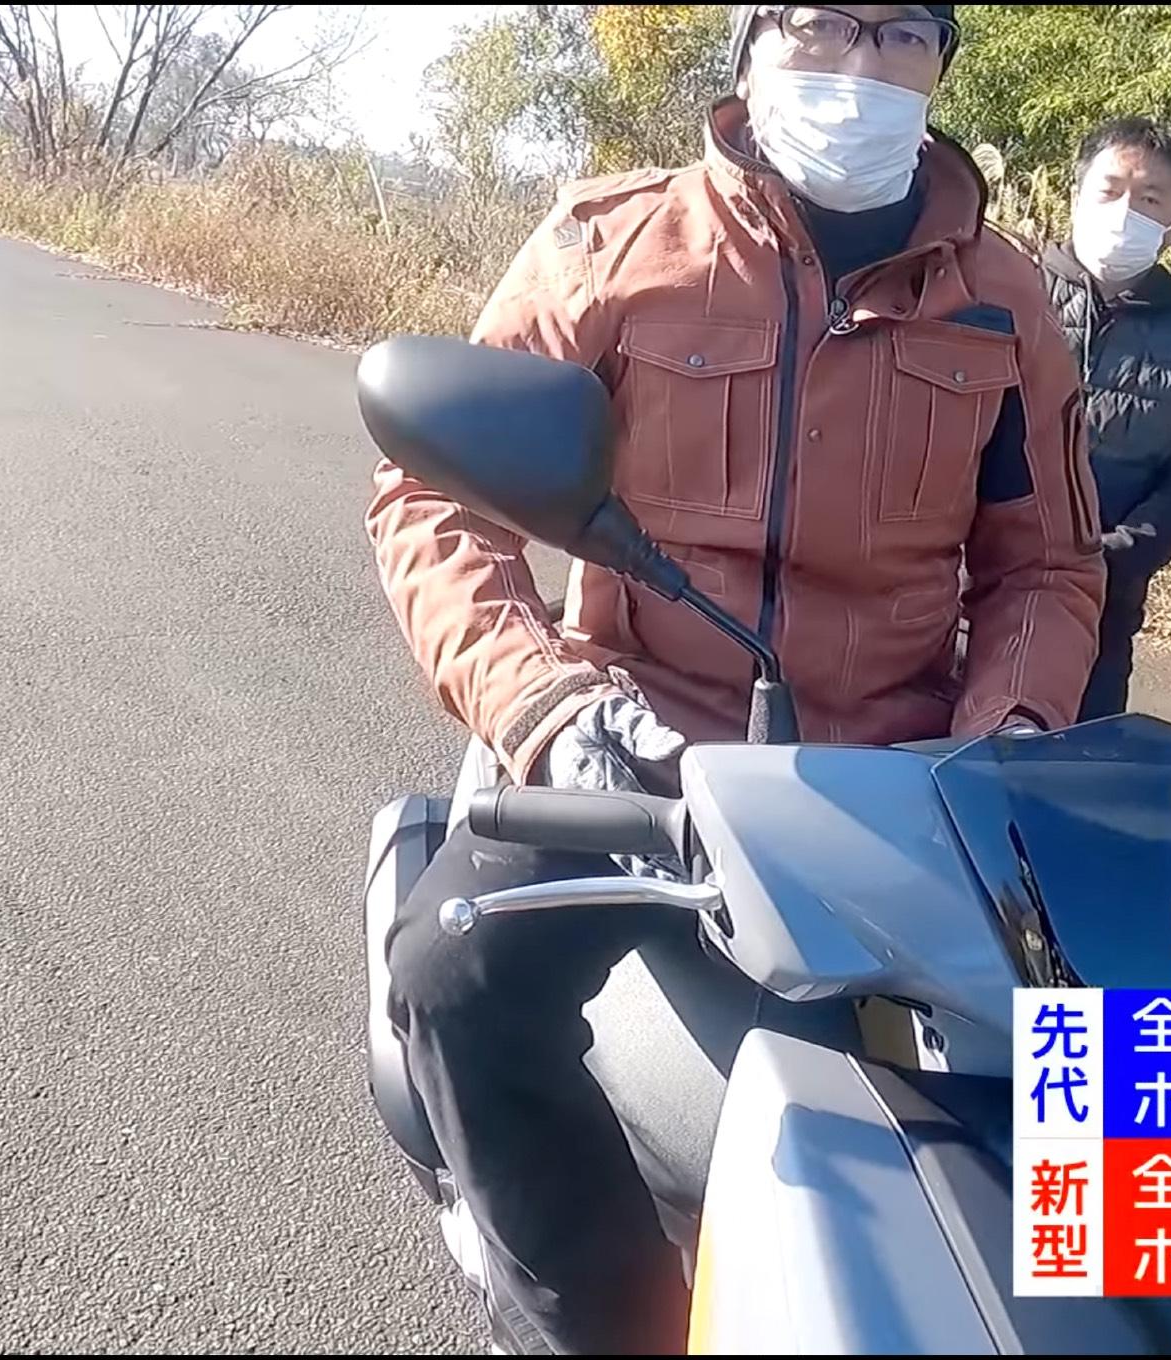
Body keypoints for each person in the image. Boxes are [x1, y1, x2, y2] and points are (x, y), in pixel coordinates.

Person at [363, 5, 1103, 1353]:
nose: (861, 68)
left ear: (941, 66)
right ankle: (612, 1322)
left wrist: (1001, 737)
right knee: (451, 977)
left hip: (895, 786)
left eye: (901, 34)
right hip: (641, 755)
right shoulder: (614, 242)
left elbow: (1047, 570)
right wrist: (545, 703)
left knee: (1113, 1066)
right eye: (822, 26)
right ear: (751, 48)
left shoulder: (1005, 302)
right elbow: (434, 497)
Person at [1041, 116, 1171, 722]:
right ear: (1077, 195)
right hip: (964, 599)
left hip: (1101, 608)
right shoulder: (1004, 294)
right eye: (1110, 189)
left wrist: (1107, 558)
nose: (1125, 211)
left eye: (1150, 199)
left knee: (1076, 763)